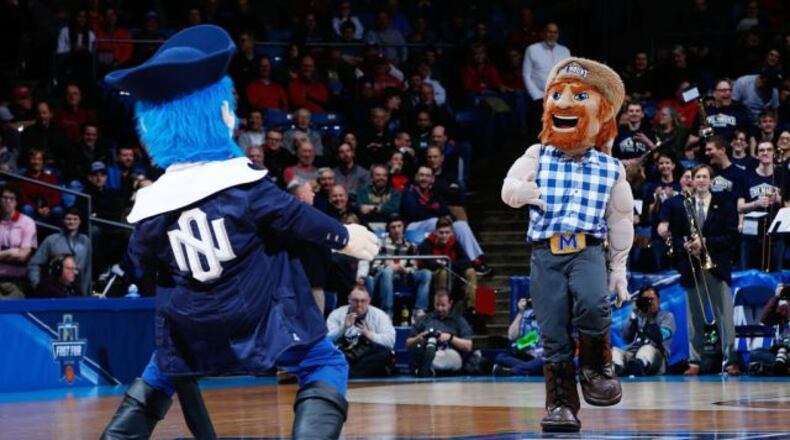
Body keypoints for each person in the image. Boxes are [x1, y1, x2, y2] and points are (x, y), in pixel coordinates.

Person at [101, 25, 380, 439]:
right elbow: (295, 217)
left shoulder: (153, 205)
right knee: (324, 361)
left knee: (164, 365)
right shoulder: (245, 187)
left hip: (192, 324)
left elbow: (138, 256)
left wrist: (116, 277)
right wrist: (345, 235)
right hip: (260, 317)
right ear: (221, 116)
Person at [502, 57, 632, 432]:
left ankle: (596, 368)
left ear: (602, 114)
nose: (563, 104)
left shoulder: (611, 168)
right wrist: (520, 192)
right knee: (552, 328)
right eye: (556, 95)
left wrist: (619, 268)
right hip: (545, 251)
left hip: (588, 249)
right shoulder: (538, 155)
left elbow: (620, 219)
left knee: (593, 304)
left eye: (578, 96)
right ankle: (560, 404)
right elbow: (508, 187)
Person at [657, 164, 740, 376]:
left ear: (711, 180)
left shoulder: (724, 203)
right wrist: (684, 245)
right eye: (697, 177)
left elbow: (731, 236)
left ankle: (731, 361)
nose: (701, 180)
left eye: (705, 177)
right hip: (692, 266)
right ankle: (695, 361)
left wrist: (705, 243)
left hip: (717, 267)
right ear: (691, 181)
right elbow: (674, 236)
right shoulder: (684, 205)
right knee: (694, 317)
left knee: (724, 317)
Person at [402, 166, 490, 276]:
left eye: (427, 176)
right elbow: (414, 212)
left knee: (460, 225)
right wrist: (434, 210)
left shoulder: (434, 193)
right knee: (436, 221)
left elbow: (444, 210)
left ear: (432, 179)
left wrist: (438, 212)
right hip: (414, 226)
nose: (424, 178)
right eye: (421, 175)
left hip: (435, 224)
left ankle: (476, 261)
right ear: (416, 177)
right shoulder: (409, 191)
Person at [367, 216, 431, 317]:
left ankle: (419, 311)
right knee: (387, 272)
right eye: (393, 227)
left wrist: (405, 270)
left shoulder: (410, 246)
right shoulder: (380, 244)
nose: (396, 230)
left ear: (403, 227)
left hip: (404, 276)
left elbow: (414, 267)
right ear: (388, 229)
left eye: (399, 226)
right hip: (384, 277)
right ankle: (387, 312)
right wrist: (390, 268)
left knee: (426, 274)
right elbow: (375, 268)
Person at [326, 284, 396, 378]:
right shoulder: (337, 314)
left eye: (363, 301)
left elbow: (390, 341)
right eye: (355, 301)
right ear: (349, 300)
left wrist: (369, 334)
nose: (359, 305)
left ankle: (347, 373)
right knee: (329, 353)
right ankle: (350, 372)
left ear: (369, 301)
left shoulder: (380, 315)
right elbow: (326, 339)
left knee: (385, 354)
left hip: (367, 356)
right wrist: (343, 329)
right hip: (345, 354)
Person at [737, 142, 787, 271]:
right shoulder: (746, 177)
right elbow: (740, 207)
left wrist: (778, 199)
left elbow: (788, 206)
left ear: (774, 153)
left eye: (769, 150)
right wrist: (756, 203)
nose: (765, 153)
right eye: (761, 150)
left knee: (776, 278)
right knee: (747, 277)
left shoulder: (783, 176)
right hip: (751, 235)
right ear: (757, 155)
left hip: (776, 234)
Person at [406, 289, 473, 377]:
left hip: (448, 352)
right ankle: (428, 367)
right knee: (422, 349)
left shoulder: (459, 320)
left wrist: (450, 338)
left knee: (445, 357)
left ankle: (424, 366)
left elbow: (468, 346)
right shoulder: (425, 319)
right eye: (437, 305)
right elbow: (408, 343)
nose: (439, 308)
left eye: (443, 305)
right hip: (427, 348)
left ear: (450, 304)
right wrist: (419, 337)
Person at [417, 216, 477, 314]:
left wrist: (448, 263)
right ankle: (441, 305)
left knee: (471, 272)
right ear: (436, 232)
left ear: (451, 233)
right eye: (441, 233)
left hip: (452, 273)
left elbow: (467, 262)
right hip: (433, 276)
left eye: (447, 232)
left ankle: (471, 308)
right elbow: (430, 264)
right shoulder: (427, 243)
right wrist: (445, 265)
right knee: (443, 272)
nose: (444, 236)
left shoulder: (454, 243)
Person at [613, 286, 676, 376]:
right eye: (645, 300)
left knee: (646, 349)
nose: (649, 302)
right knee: (616, 351)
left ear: (658, 300)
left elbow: (660, 336)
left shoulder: (667, 316)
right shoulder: (637, 316)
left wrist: (650, 319)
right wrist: (633, 314)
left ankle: (638, 366)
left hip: (655, 355)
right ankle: (618, 369)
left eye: (651, 299)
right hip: (633, 354)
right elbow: (626, 336)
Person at [521, 22, 571, 134]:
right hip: (539, 97)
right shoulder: (532, 49)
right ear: (543, 33)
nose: (552, 35)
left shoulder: (565, 51)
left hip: (559, 97)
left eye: (555, 32)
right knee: (541, 132)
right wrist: (536, 96)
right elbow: (526, 74)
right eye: (549, 32)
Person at [27, 208, 91, 295]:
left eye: (75, 219)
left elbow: (86, 270)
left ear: (80, 221)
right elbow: (34, 264)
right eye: (68, 219)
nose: (72, 222)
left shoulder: (86, 241)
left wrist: (84, 294)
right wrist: (38, 286)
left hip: (76, 291)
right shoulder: (51, 240)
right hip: (53, 291)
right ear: (63, 221)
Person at [0, 184, 37, 299]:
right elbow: (18, 254)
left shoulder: (27, 223)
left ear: (17, 202)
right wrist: (12, 252)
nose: (8, 201)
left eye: (11, 198)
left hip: (16, 283)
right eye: (4, 198)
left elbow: (23, 256)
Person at [492, 297, 544, 376]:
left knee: (543, 361)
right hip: (526, 355)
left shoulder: (550, 316)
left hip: (541, 356)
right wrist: (520, 312)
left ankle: (512, 372)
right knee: (501, 357)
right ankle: (527, 369)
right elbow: (511, 336)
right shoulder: (526, 314)